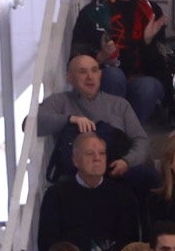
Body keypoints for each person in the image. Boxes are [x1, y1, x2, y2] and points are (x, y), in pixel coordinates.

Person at [36, 133, 143, 251]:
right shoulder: (57, 194)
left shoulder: (122, 193)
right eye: (90, 154)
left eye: (102, 153)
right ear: (75, 160)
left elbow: (129, 237)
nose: (97, 158)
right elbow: (47, 241)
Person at [35, 52, 153, 189]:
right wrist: (71, 119)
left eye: (94, 70)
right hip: (77, 175)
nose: (90, 77)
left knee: (149, 178)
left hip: (116, 169)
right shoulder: (60, 101)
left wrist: (126, 161)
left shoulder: (120, 104)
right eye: (82, 72)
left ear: (100, 75)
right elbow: (31, 123)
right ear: (70, 78)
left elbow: (142, 140)